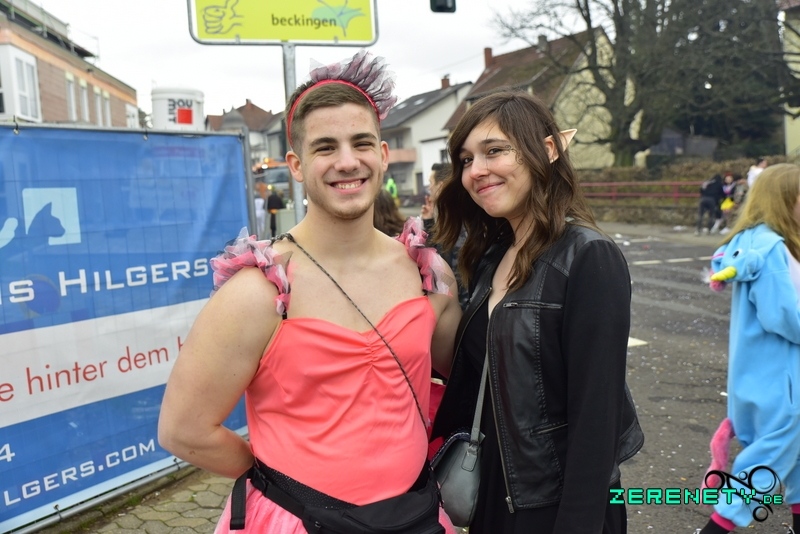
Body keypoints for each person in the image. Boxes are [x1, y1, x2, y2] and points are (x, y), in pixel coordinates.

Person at [158, 50, 462, 533]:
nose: (347, 161)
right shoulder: (257, 292)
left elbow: (467, 378)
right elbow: (184, 430)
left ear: (383, 154)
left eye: (361, 143)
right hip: (297, 521)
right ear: (297, 165)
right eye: (325, 147)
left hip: (414, 518)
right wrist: (280, 486)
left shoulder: (427, 274)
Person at [430, 90, 644, 534]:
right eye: (466, 159)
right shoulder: (491, 256)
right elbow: (478, 373)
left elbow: (597, 418)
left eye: (494, 151)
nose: (476, 170)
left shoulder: (588, 256)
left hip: (556, 505)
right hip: (494, 492)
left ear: (547, 150)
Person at [701, 163, 800, 534]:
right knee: (762, 470)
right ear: (784, 199)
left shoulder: (755, 242)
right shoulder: (773, 249)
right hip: (784, 385)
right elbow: (785, 317)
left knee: (794, 462)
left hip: (763, 378)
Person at [421, 162, 469, 308]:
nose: (429, 188)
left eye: (431, 183)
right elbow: (437, 254)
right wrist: (428, 222)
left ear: (440, 186)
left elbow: (454, 278)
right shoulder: (449, 217)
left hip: (460, 307)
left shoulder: (456, 222)